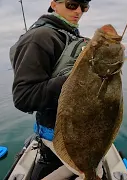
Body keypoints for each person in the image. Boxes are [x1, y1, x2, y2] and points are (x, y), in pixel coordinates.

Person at [9, 0, 105, 179]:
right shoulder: (39, 38)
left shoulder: (72, 37)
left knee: (89, 166)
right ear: (54, 4)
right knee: (93, 172)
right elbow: (24, 97)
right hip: (56, 131)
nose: (78, 11)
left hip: (81, 129)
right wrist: (79, 80)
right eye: (72, 5)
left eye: (84, 7)